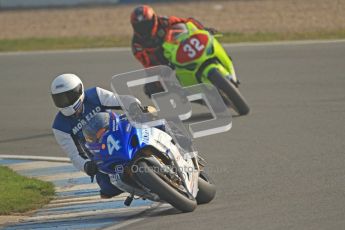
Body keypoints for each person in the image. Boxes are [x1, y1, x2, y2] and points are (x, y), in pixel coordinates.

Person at [50, 73, 141, 198]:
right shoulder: (59, 126)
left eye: (68, 96)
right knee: (108, 188)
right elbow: (74, 155)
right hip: (101, 155)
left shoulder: (95, 95)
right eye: (60, 99)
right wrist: (86, 166)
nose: (65, 102)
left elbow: (121, 100)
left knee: (153, 124)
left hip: (120, 134)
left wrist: (134, 105)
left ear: (79, 90)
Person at [130, 5, 215, 68]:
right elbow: (148, 65)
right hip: (167, 65)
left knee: (211, 43)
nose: (144, 29)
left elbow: (188, 22)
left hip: (184, 49)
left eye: (146, 24)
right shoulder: (137, 45)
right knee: (151, 88)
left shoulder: (165, 21)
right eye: (140, 26)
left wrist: (203, 29)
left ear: (154, 19)